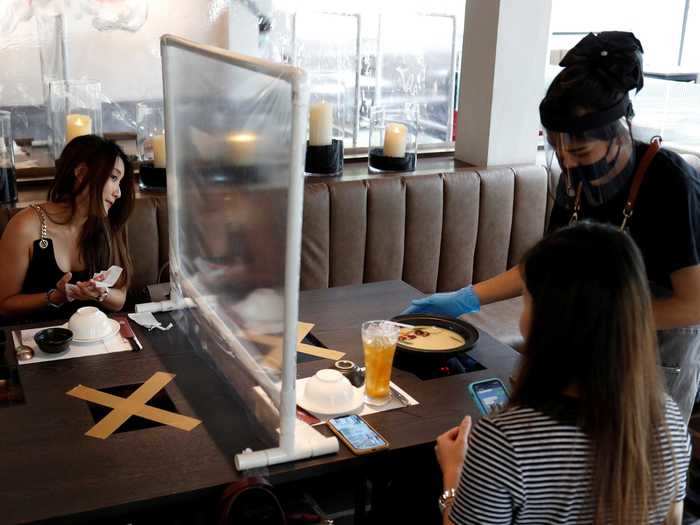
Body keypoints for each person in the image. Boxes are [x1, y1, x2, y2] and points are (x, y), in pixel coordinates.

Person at [405, 31, 700, 421]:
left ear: (619, 133)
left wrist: (605, 315)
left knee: (641, 467)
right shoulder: (576, 181)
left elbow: (693, 304)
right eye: (558, 150)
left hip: (656, 351)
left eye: (578, 150)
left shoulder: (671, 183)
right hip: (593, 345)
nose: (568, 163)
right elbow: (550, 265)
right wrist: (467, 297)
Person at [435, 222, 690, 524]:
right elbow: (672, 519)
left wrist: (454, 475)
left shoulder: (503, 440)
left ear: (551, 320)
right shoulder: (669, 420)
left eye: (527, 300)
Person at [0, 135, 135, 321]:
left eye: (119, 182)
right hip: (39, 341)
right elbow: (4, 305)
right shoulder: (25, 226)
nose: (118, 192)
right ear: (81, 173)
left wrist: (101, 293)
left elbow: (119, 299)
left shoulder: (109, 224)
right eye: (113, 178)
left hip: (97, 339)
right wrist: (55, 296)